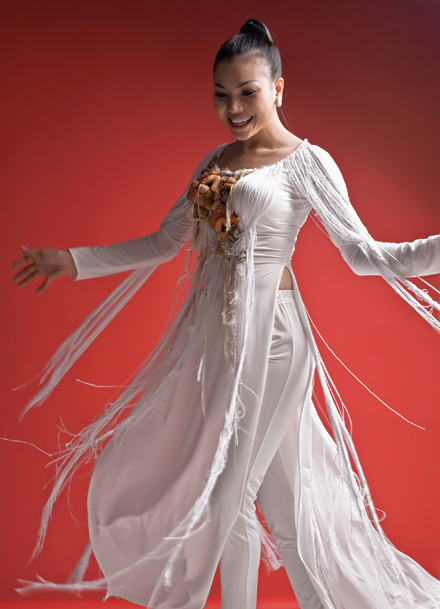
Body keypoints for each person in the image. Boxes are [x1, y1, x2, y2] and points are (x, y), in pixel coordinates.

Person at [11, 18, 440, 609]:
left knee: (227, 498)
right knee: (289, 517)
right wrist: (74, 260)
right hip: (217, 343)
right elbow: (165, 242)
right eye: (221, 94)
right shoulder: (215, 160)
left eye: (247, 92)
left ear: (278, 89)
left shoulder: (308, 163)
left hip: (275, 342)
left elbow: (366, 257)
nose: (233, 108)